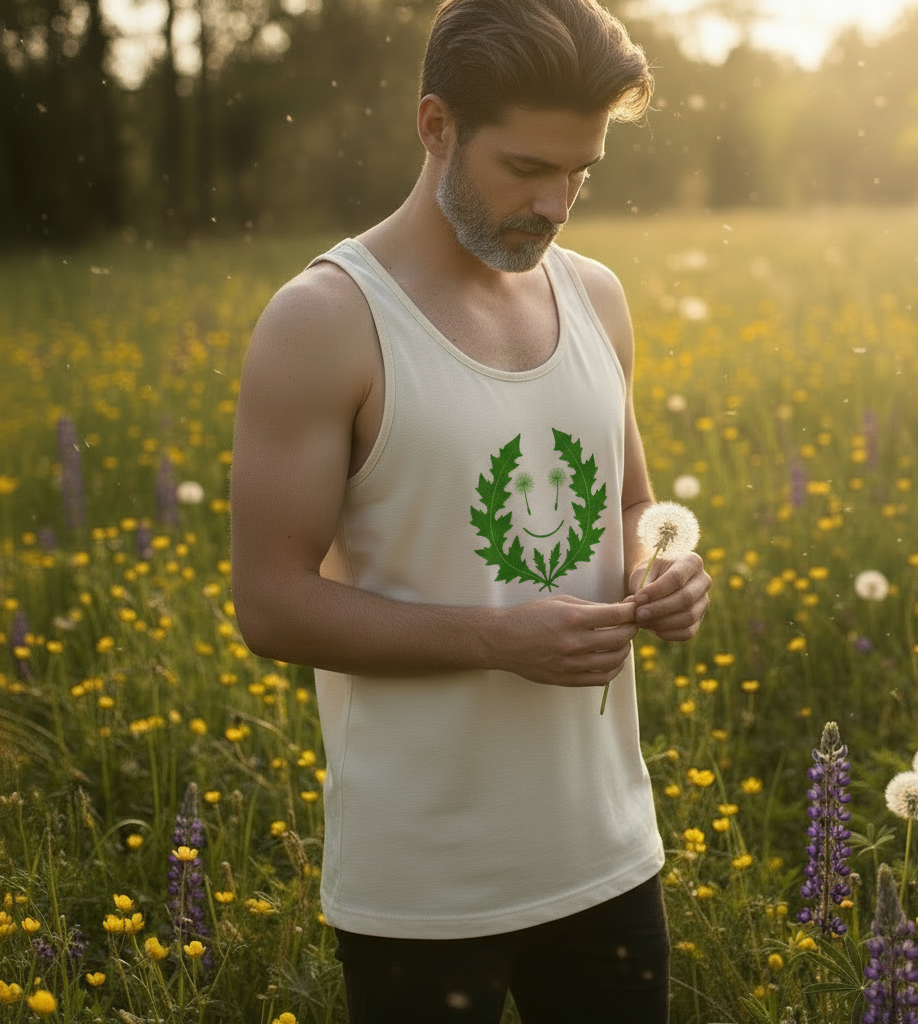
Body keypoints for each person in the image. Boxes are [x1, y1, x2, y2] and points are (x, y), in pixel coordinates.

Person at [230, 1, 712, 1020]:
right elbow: (270, 605)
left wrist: (656, 566)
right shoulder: (326, 320)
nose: (556, 203)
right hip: (424, 884)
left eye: (581, 172)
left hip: (609, 850)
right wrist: (498, 638)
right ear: (434, 125)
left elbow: (629, 499)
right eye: (527, 168)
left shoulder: (596, 297)